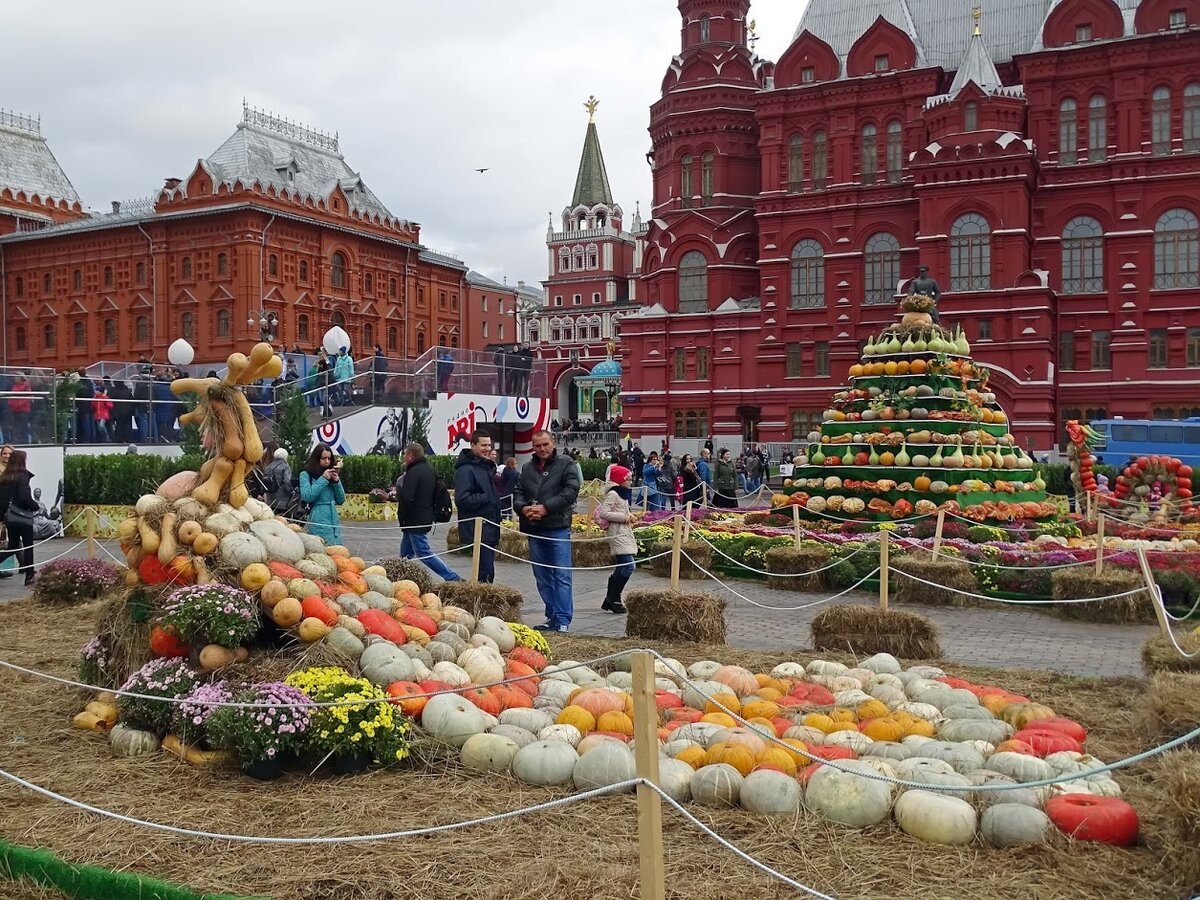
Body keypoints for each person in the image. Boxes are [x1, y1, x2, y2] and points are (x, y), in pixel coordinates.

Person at [515, 429, 581, 632]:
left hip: (557, 527)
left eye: (545, 444)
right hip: (534, 528)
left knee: (561, 575)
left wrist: (546, 507)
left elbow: (571, 491)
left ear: (553, 443)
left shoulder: (566, 464)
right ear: (533, 447)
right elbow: (518, 492)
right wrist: (524, 508)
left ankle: (562, 619)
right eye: (538, 445)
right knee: (542, 576)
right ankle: (551, 615)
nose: (542, 449)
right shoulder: (527, 468)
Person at [397, 442, 463, 583]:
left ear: (410, 455)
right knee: (406, 553)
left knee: (423, 552)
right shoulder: (430, 470)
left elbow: (407, 497)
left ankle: (452, 577)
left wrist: (401, 508)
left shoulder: (412, 472)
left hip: (414, 519)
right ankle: (400, 578)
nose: (404, 457)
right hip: (425, 516)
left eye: (405, 454)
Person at [454, 430, 501, 583]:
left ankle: (485, 604)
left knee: (487, 572)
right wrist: (486, 496)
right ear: (473, 445)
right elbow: (462, 499)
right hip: (478, 529)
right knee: (486, 573)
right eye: (483, 445)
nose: (488, 448)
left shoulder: (484, 466)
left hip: (489, 527)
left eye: (489, 445)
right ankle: (482, 604)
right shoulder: (466, 469)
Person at [596, 465, 636, 614]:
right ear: (620, 480)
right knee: (629, 566)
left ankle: (612, 599)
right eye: (629, 479)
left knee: (622, 566)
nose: (631, 482)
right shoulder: (613, 494)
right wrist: (625, 518)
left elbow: (622, 510)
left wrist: (630, 516)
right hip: (617, 532)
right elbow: (604, 513)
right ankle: (614, 597)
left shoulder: (623, 493)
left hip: (624, 531)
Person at [0, 450, 39, 584]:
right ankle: (29, 575)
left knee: (12, 546)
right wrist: (35, 506)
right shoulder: (22, 476)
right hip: (22, 515)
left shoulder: (4, 476)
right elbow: (24, 498)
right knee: (28, 546)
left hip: (10, 517)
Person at [299, 443, 345, 543]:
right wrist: (323, 479)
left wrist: (336, 481)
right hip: (317, 517)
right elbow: (307, 496)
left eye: (329, 458)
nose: (327, 461)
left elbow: (341, 500)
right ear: (316, 458)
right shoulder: (305, 474)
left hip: (334, 520)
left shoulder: (331, 473)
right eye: (323, 458)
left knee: (337, 553)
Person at [264, 447, 296, 515]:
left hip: (270, 498)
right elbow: (287, 481)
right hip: (282, 500)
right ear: (285, 456)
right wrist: (291, 490)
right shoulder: (285, 466)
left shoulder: (269, 466)